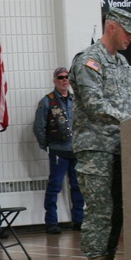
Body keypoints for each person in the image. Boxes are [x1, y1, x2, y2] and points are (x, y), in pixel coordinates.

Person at [69, 7, 131, 260]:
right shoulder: (89, 61)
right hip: (96, 148)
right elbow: (94, 105)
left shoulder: (123, 63)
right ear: (112, 27)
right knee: (100, 210)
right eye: (128, 33)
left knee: (117, 210)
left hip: (123, 147)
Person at [32, 66, 84, 234]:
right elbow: (39, 127)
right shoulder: (47, 101)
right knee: (54, 186)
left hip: (75, 150)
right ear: (55, 80)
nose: (64, 80)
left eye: (66, 77)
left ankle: (79, 220)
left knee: (77, 187)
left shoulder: (76, 100)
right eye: (60, 77)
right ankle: (51, 222)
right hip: (58, 150)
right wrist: (46, 146)